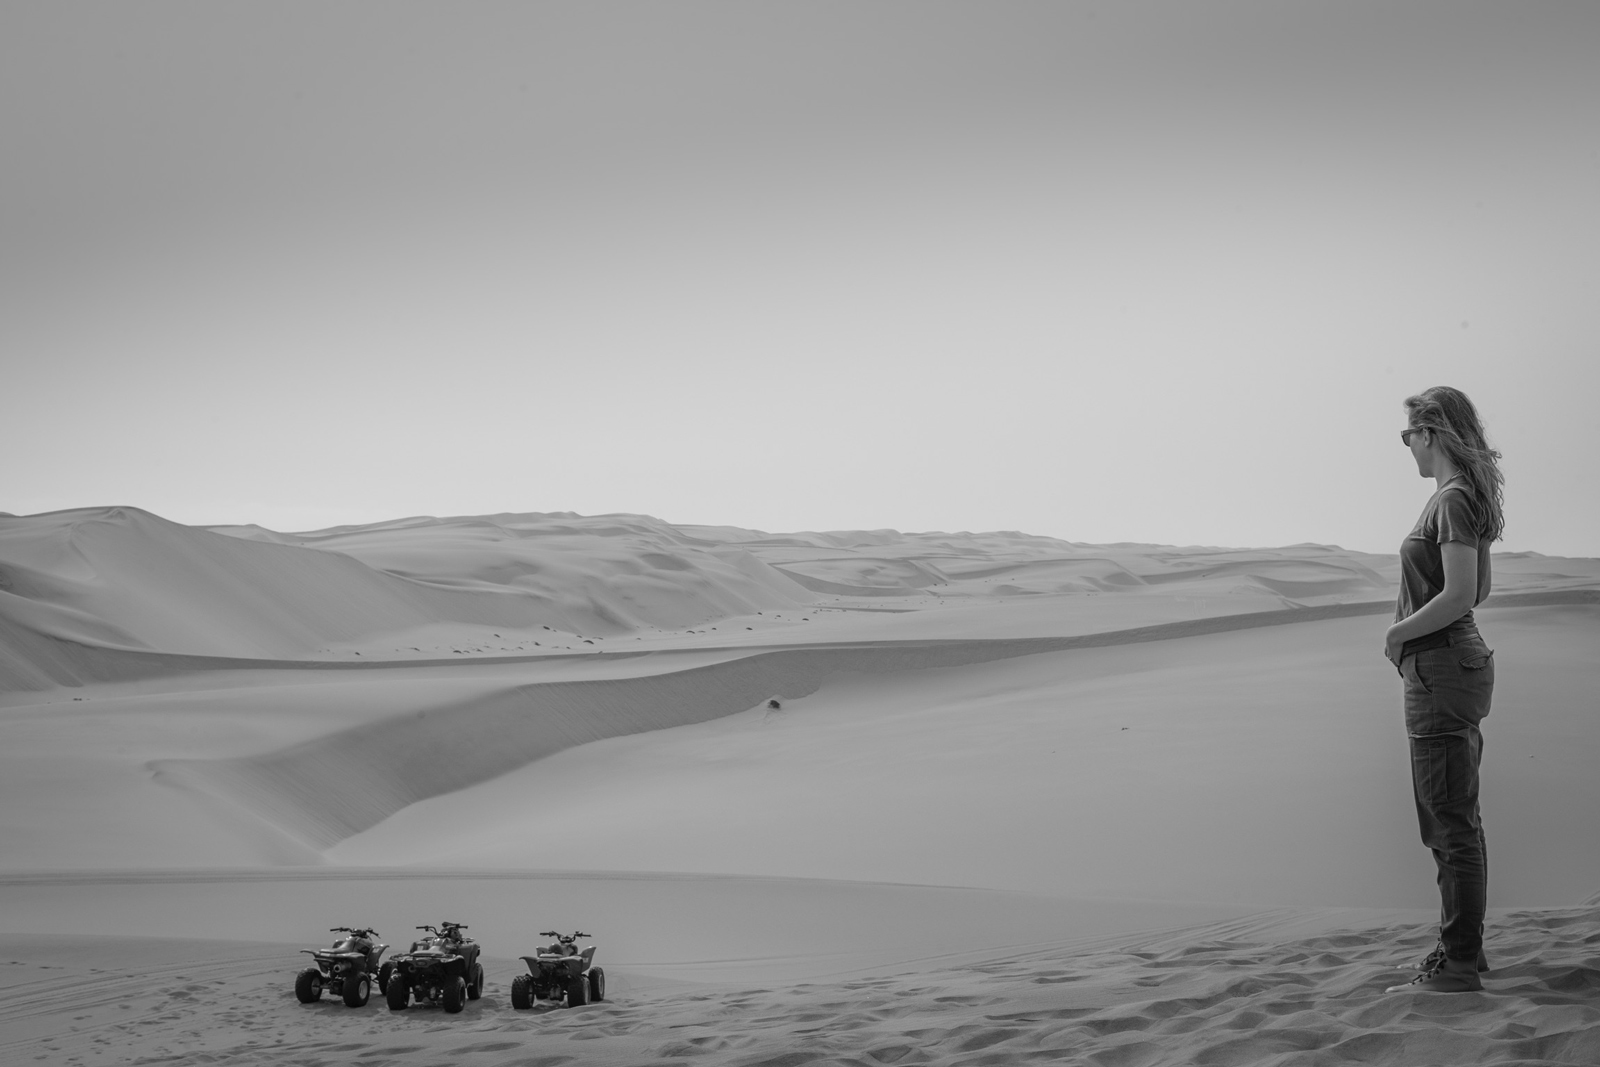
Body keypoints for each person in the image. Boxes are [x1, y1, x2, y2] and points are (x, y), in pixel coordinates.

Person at [1383, 386, 1504, 994]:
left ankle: (1457, 963)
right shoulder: (1462, 499)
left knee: (1447, 821)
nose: (1407, 447)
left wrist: (1397, 632)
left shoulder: (1452, 501)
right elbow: (1479, 590)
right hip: (1458, 662)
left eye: (1409, 436)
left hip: (1441, 667)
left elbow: (1459, 595)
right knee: (1458, 815)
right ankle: (1464, 949)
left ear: (1431, 434)